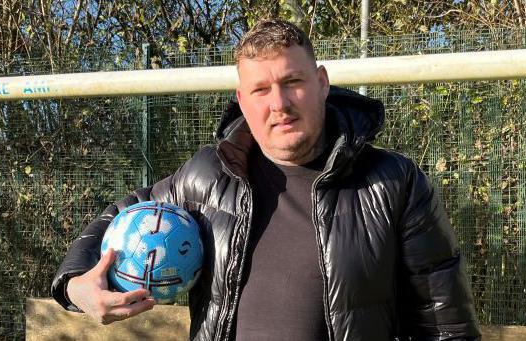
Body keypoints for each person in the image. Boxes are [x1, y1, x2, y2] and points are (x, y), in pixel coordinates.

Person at [52, 19, 481, 340]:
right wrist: (75, 286)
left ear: (321, 83)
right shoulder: (206, 176)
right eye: (260, 89)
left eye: (292, 82)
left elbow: (446, 325)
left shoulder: (394, 183)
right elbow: (120, 216)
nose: (279, 103)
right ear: (242, 100)